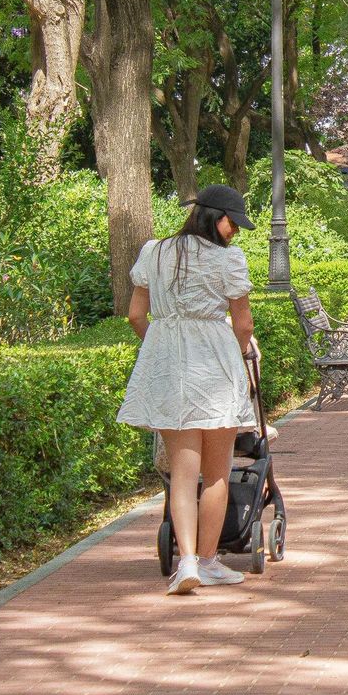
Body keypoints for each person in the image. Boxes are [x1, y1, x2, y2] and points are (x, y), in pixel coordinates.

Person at [119, 185, 258, 595]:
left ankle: (187, 563)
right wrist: (233, 355)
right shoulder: (228, 259)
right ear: (216, 218)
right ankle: (211, 560)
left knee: (183, 472)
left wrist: (161, 345)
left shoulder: (153, 252)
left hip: (169, 362)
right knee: (217, 472)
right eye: (233, 222)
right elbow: (244, 324)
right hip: (214, 359)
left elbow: (135, 314)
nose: (235, 231)